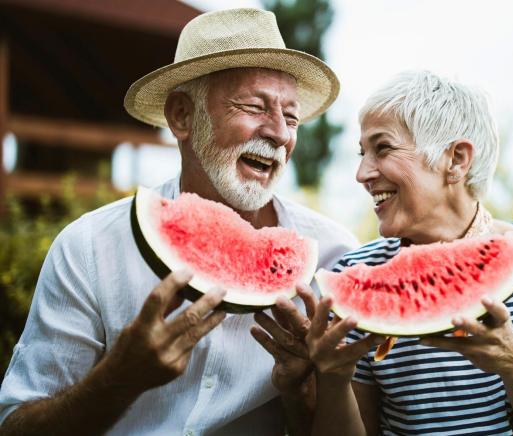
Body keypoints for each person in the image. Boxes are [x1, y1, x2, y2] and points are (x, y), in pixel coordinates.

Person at [0, 8, 357, 436]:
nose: (280, 133)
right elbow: (16, 425)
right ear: (183, 117)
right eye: (254, 107)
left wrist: (303, 394)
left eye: (292, 116)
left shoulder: (334, 257)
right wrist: (118, 378)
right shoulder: (90, 247)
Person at [270, 70, 513, 435]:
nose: (362, 173)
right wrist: (333, 377)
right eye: (363, 153)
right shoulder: (354, 272)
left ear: (456, 159)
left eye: (383, 148)